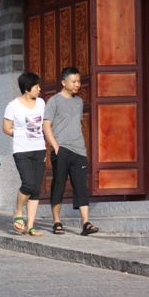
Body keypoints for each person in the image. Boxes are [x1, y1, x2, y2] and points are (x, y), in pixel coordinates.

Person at [43, 67, 99, 236]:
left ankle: (86, 223)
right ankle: (57, 221)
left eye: (79, 81)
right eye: (74, 81)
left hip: (79, 150)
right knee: (59, 184)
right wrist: (56, 147)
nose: (77, 85)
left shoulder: (79, 102)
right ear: (63, 82)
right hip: (62, 149)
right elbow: (46, 125)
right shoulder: (54, 101)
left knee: (81, 186)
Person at [3, 72, 47, 236]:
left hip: (39, 148)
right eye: (36, 86)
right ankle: (18, 211)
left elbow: (46, 124)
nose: (39, 89)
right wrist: (21, 134)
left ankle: (30, 226)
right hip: (21, 150)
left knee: (35, 188)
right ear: (27, 89)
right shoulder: (13, 106)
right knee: (28, 183)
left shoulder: (42, 103)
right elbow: (6, 128)